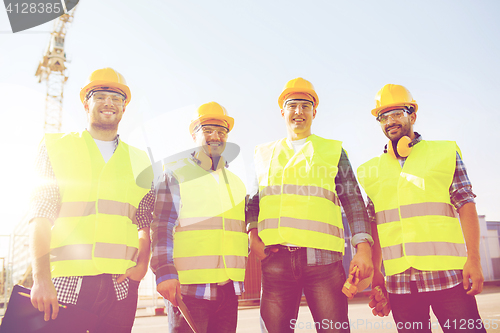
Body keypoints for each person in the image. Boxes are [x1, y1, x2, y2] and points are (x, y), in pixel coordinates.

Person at [28, 67, 154, 332]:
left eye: (117, 98)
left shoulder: (141, 161)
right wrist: (40, 278)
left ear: (124, 107)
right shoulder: (56, 146)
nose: (109, 103)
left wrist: (142, 264)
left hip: (120, 285)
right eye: (100, 96)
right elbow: (40, 214)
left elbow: (143, 220)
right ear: (86, 103)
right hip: (65, 280)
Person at [247, 78, 374, 333]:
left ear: (314, 112)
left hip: (324, 261)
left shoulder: (332, 151)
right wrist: (252, 234)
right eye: (292, 105)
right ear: (282, 111)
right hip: (276, 259)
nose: (298, 112)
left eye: (305, 106)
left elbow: (354, 202)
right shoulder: (264, 153)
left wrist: (363, 249)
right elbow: (253, 200)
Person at [357, 84, 486, 332]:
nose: (390, 121)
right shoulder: (371, 171)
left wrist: (474, 259)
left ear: (412, 115)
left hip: (449, 278)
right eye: (383, 116)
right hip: (400, 284)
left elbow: (466, 204)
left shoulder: (444, 152)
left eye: (397, 113)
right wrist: (377, 275)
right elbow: (375, 224)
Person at [151, 102, 248, 333]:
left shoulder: (236, 183)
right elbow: (162, 225)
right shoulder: (176, 173)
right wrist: (164, 272)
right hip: (188, 290)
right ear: (194, 134)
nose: (215, 136)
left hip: (227, 288)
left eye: (221, 131)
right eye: (207, 130)